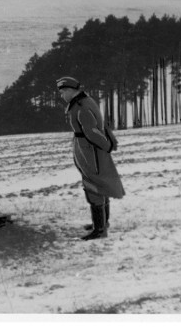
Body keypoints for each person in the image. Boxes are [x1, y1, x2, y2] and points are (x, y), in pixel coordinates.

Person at [56, 76, 125, 240]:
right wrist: (108, 144)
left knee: (93, 186)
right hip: (92, 150)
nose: (62, 95)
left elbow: (92, 132)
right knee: (99, 185)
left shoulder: (81, 107)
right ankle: (102, 223)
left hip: (90, 152)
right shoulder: (85, 102)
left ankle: (100, 230)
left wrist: (106, 146)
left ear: (71, 91)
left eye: (63, 92)